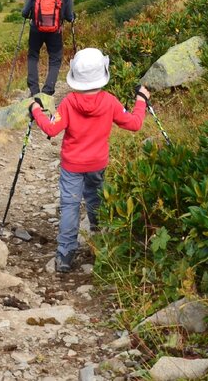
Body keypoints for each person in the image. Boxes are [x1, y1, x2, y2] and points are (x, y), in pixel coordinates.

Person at [28, 48, 149, 273]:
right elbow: (134, 123)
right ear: (102, 74)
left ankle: (65, 255)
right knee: (96, 201)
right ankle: (99, 241)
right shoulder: (110, 102)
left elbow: (51, 129)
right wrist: (141, 100)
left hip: (72, 167)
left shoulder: (68, 103)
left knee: (70, 207)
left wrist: (35, 109)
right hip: (98, 164)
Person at [20, 0, 75, 96]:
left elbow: (25, 12)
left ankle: (33, 90)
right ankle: (48, 90)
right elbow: (69, 16)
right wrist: (72, 16)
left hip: (36, 29)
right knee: (55, 59)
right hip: (55, 30)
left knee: (33, 56)